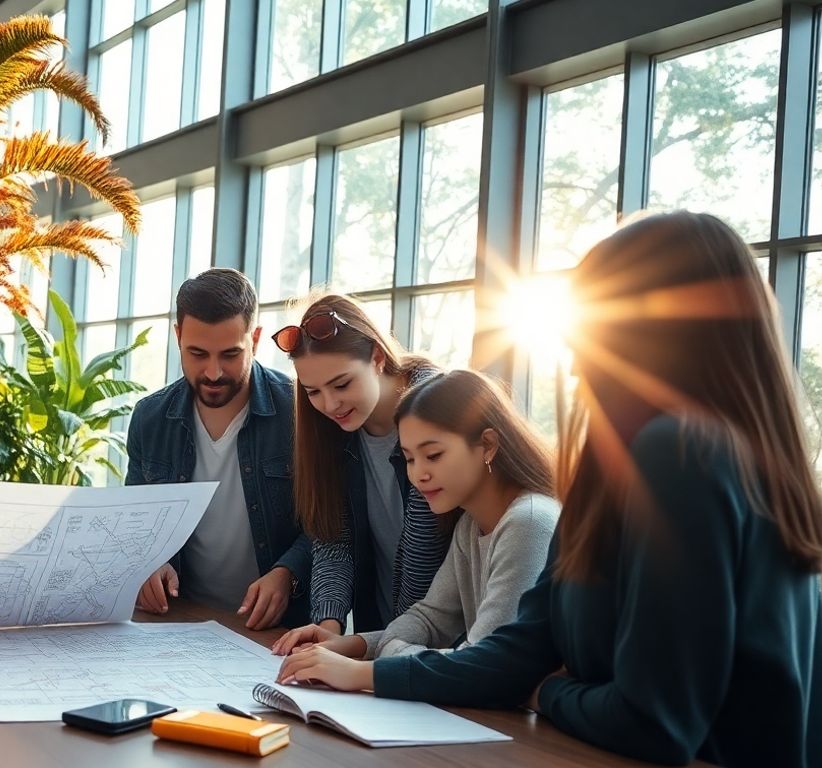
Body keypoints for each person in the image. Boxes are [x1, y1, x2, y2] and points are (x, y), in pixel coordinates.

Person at [278, 212, 822, 767]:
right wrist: (369, 671)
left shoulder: (681, 454)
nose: (572, 350)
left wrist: (545, 692)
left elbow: (654, 722)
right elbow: (524, 647)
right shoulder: (623, 462)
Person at [272, 369, 558, 662]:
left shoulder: (528, 521)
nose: (418, 474)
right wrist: (349, 645)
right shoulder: (470, 526)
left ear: (487, 445)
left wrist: (361, 672)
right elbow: (429, 619)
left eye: (433, 455)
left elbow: (485, 662)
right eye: (409, 459)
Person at [127, 268, 312, 629]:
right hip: (180, 621)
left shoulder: (299, 412)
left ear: (255, 339)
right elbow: (137, 523)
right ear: (178, 336)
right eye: (197, 353)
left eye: (230, 354)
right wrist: (148, 563)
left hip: (277, 631)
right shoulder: (150, 418)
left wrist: (289, 572)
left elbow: (330, 524)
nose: (213, 373)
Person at [275, 295, 451, 640]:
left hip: (445, 647)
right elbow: (332, 539)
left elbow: (426, 552)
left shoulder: (439, 407)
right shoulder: (330, 431)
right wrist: (328, 629)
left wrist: (381, 650)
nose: (329, 404)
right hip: (381, 640)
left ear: (377, 357)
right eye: (313, 392)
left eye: (342, 384)